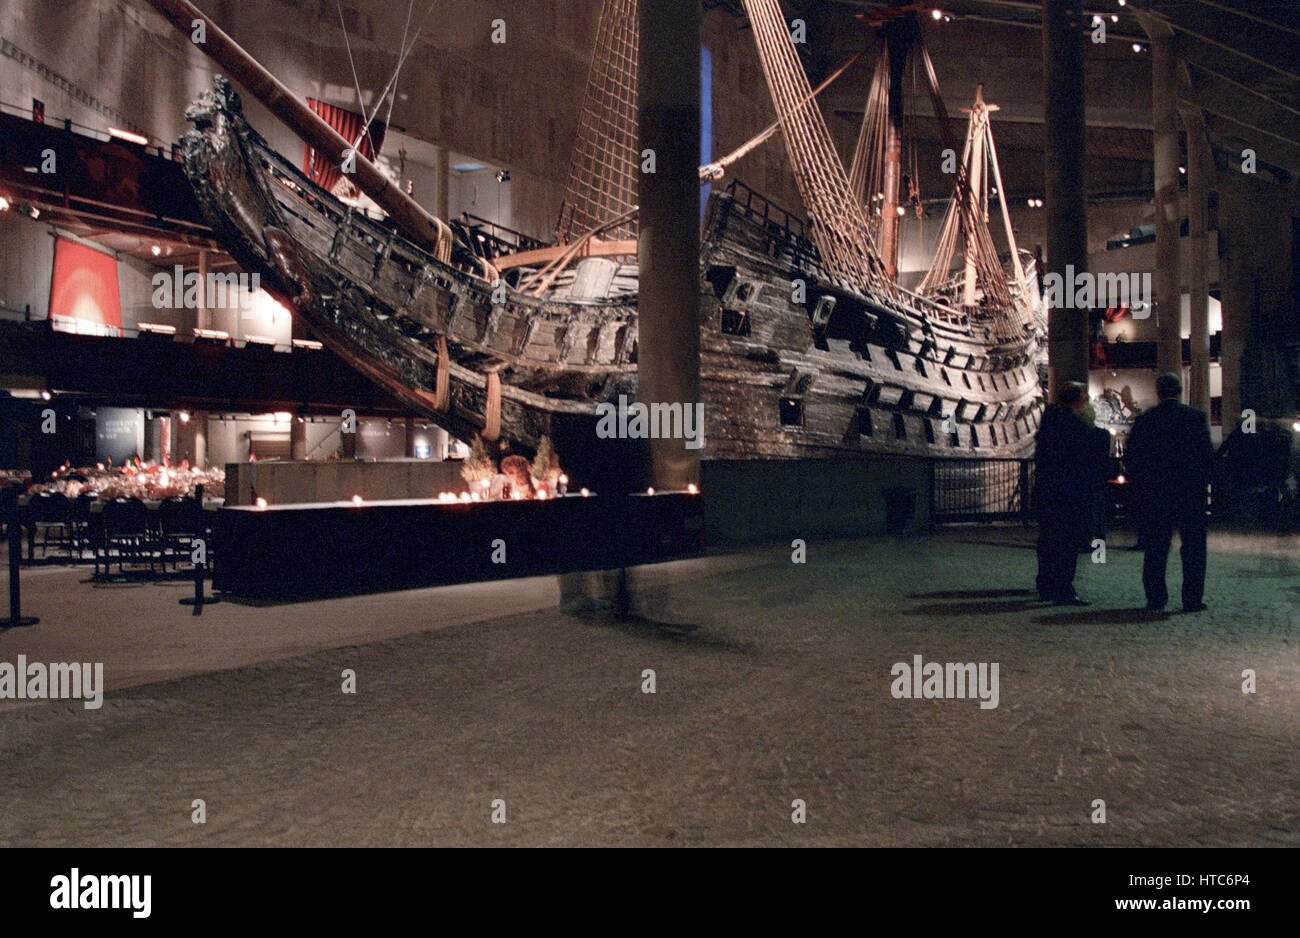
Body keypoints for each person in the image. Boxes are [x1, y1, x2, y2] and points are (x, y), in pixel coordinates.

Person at [1124, 373, 1213, 612]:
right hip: (1189, 492)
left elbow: (1133, 459)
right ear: (1180, 391)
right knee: (1194, 549)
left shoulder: (1146, 420)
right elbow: (1206, 456)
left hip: (1156, 493)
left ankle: (1156, 598)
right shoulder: (1196, 417)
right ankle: (1192, 599)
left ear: (1158, 392)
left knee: (1156, 548)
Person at [1034, 382, 1105, 605]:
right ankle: (1064, 588)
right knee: (1068, 543)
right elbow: (1089, 457)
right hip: (1070, 494)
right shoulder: (1077, 426)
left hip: (1048, 491)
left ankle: (1045, 583)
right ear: (1080, 400)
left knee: (1048, 540)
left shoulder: (1050, 422)